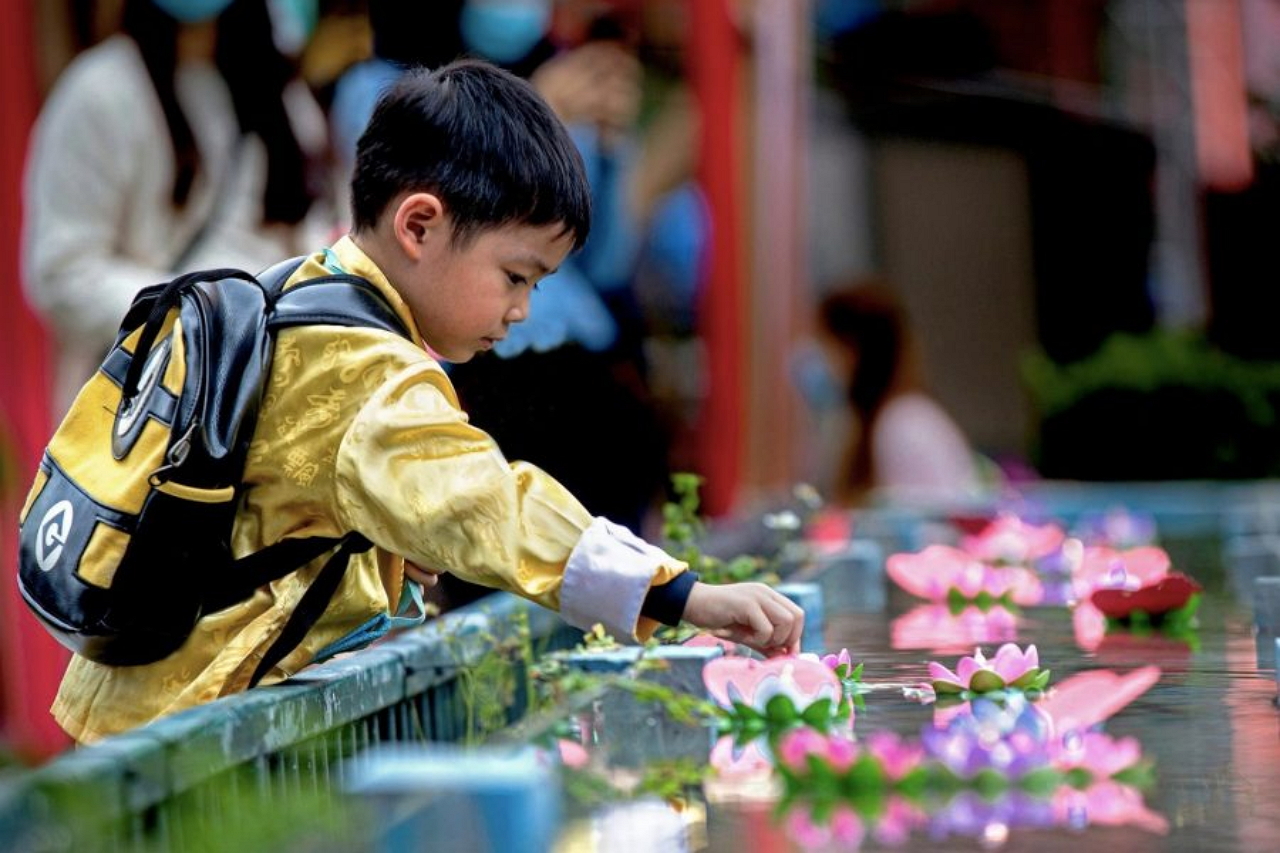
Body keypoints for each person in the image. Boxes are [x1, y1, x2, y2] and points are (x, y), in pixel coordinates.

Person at [50, 59, 805, 744]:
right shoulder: (368, 370)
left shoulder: (300, 291)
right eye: (516, 276)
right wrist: (681, 594)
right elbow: (488, 504)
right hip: (191, 736)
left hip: (144, 711)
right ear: (419, 225)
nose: (521, 309)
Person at [22, 0, 336, 415]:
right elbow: (61, 272)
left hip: (270, 399)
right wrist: (202, 317)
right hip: (144, 410)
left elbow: (313, 226)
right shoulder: (99, 92)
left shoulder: (276, 85)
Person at [814, 281, 985, 506]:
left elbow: (934, 522)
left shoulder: (904, 423)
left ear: (853, 350)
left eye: (826, 348)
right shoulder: (888, 419)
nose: (822, 363)